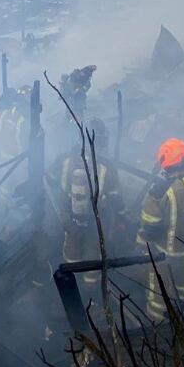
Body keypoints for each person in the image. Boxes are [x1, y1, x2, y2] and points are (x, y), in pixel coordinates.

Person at [135, 137, 184, 322]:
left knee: (158, 298)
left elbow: (150, 227)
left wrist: (140, 246)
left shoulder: (160, 191)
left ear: (166, 163)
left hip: (164, 257)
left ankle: (159, 331)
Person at [54, 119, 113, 284]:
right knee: (93, 260)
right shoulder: (107, 167)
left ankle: (71, 287)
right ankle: (91, 295)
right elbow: (116, 198)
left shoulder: (65, 160)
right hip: (96, 224)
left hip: (70, 220)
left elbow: (50, 179)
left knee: (71, 257)